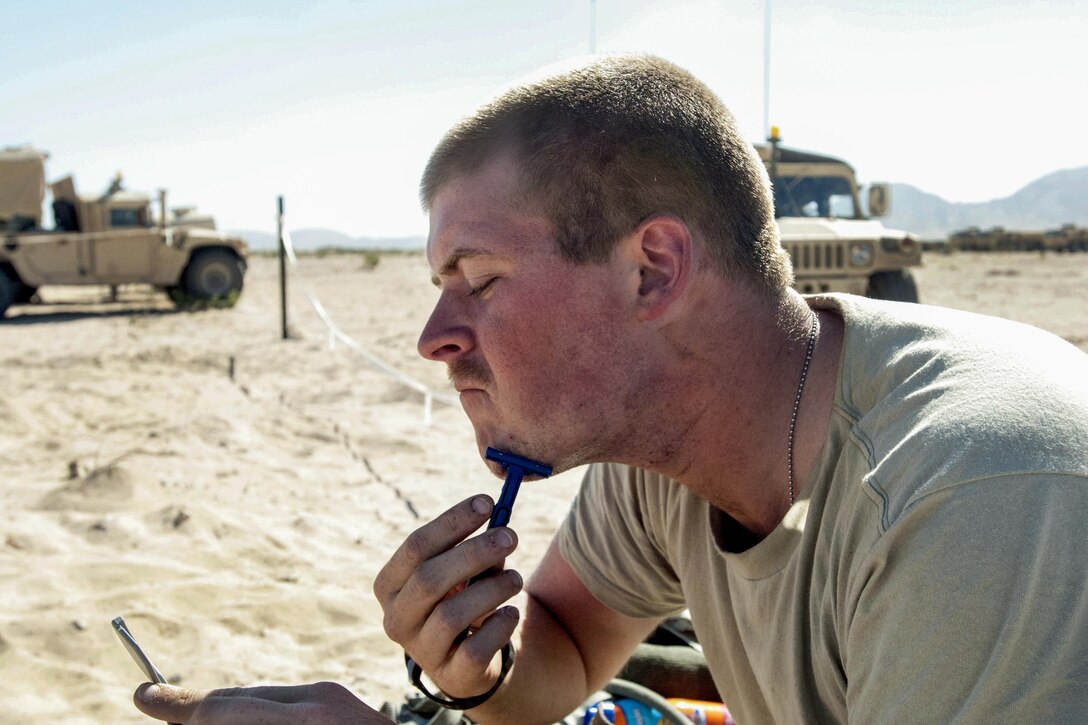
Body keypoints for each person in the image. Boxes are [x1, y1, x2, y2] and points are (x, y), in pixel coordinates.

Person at [133, 55, 1088, 724]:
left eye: (482, 279)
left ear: (653, 270)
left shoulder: (968, 497)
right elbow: (568, 655)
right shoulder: (670, 444)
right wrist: (477, 663)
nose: (435, 340)